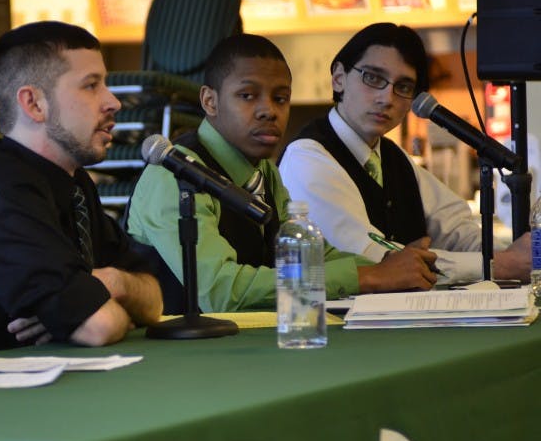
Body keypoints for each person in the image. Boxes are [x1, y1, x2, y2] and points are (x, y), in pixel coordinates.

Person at [127, 33, 438, 313]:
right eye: (248, 96)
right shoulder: (173, 175)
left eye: (280, 98)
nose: (269, 111)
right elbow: (219, 291)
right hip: (178, 363)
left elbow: (314, 256)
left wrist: (389, 265)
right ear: (210, 101)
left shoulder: (264, 171)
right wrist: (367, 276)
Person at [0, 21, 163, 351]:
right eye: (91, 86)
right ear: (33, 103)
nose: (112, 102)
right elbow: (99, 326)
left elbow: (153, 301)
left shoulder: (71, 182)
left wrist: (112, 282)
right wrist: (95, 309)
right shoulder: (3, 190)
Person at [278, 23, 530, 283]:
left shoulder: (392, 157)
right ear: (338, 77)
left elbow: (457, 230)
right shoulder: (307, 159)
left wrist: (512, 255)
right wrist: (497, 266)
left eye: (404, 87)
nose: (387, 98)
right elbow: (372, 259)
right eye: (373, 78)